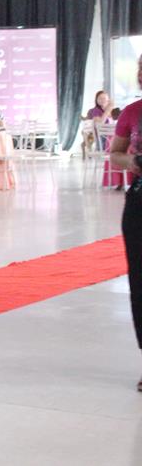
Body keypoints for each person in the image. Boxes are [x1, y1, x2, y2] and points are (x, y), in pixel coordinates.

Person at [109, 53, 142, 392]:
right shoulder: (132, 112)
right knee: (141, 283)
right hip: (139, 201)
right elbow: (115, 153)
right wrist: (131, 160)